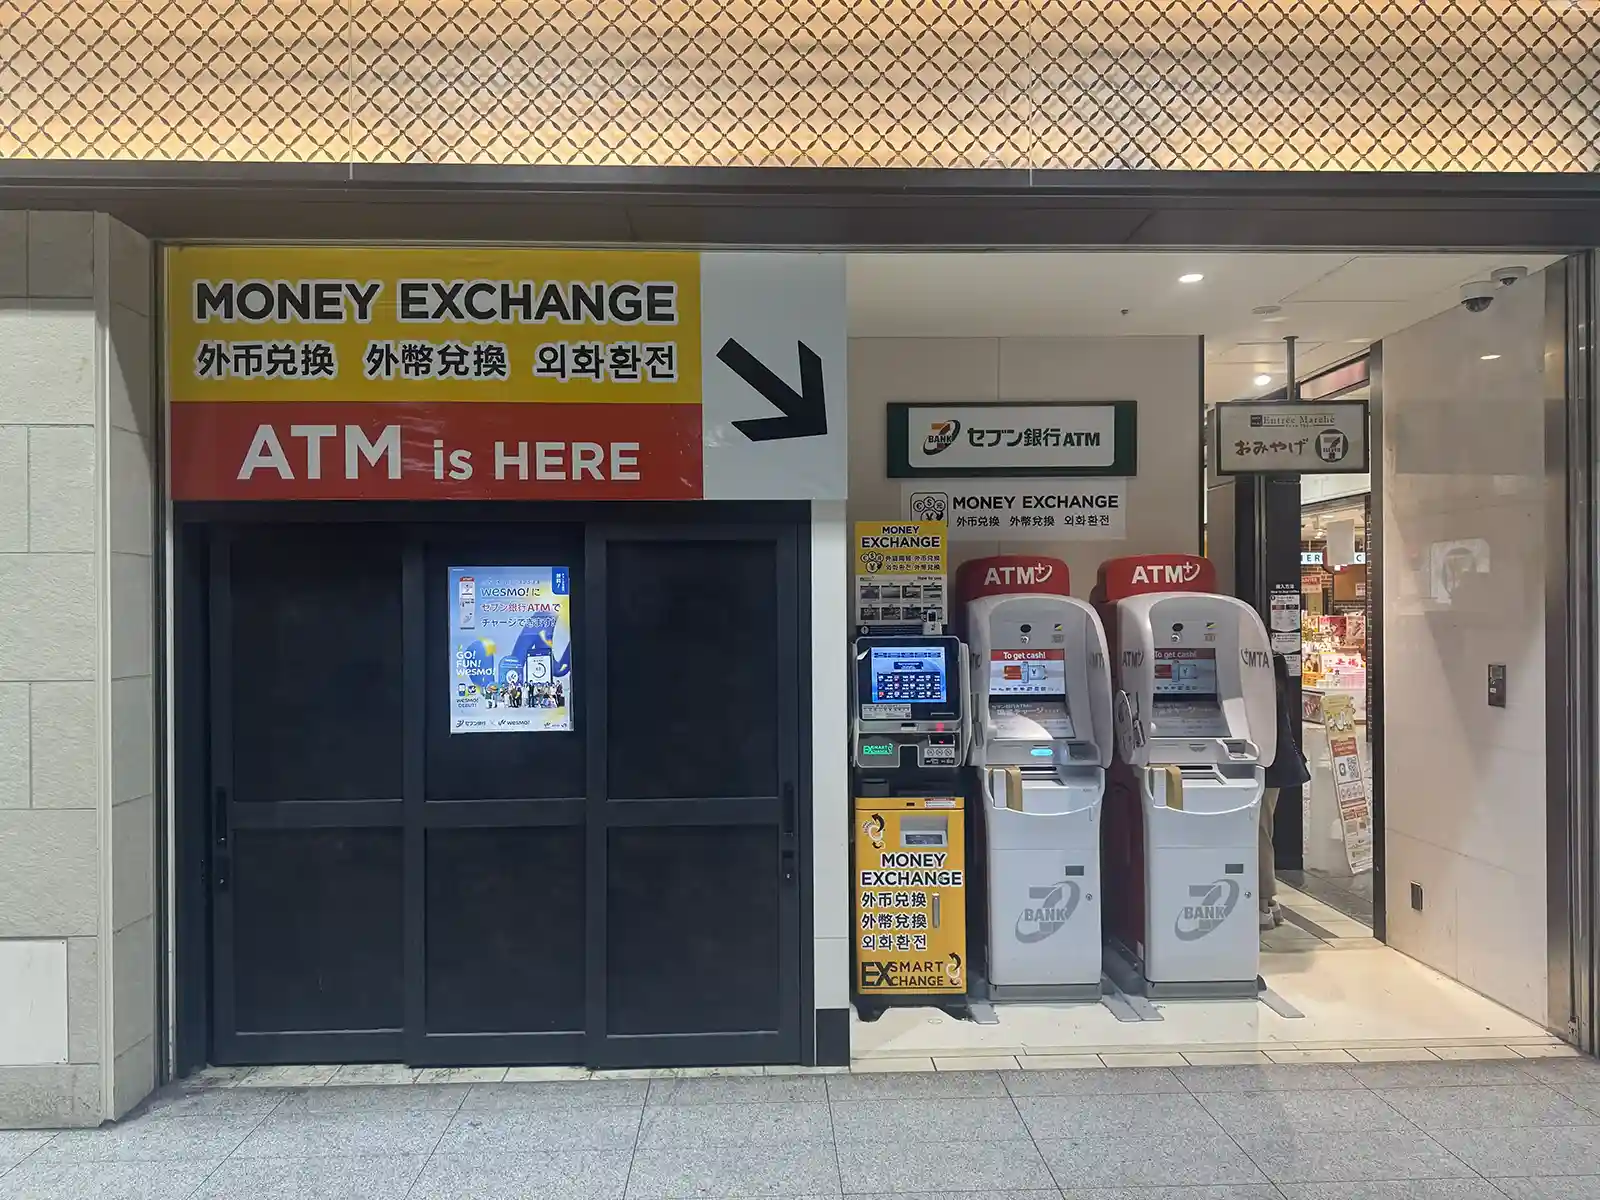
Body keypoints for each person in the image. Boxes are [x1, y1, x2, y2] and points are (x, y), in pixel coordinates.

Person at [1261, 652, 1310, 929]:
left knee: (1259, 833)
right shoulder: (1276, 685)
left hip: (1267, 769)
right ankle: (1268, 902)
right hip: (1274, 768)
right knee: (1263, 832)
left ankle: (1263, 901)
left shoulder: (1265, 691)